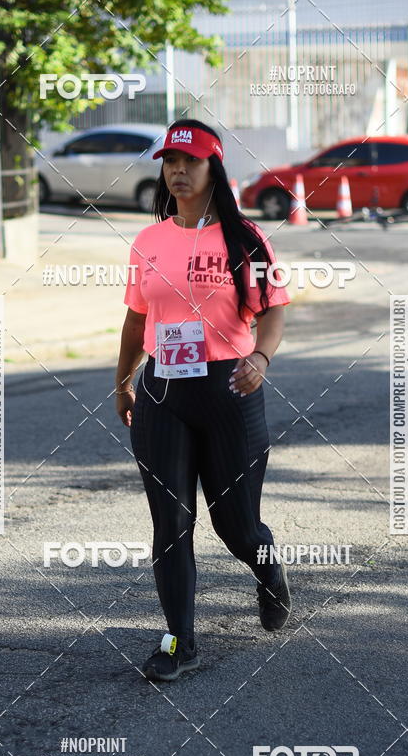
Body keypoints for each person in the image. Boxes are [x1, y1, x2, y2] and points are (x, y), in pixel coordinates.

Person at [114, 119, 292, 681]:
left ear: (215, 168)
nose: (179, 171)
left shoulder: (245, 240)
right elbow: (136, 316)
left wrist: (260, 361)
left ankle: (268, 573)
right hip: (162, 391)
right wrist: (123, 380)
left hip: (228, 391)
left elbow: (273, 310)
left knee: (239, 528)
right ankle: (179, 642)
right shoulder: (148, 241)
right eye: (170, 163)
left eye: (190, 162)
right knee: (171, 523)